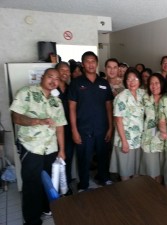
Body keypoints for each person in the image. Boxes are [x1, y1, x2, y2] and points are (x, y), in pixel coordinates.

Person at [10, 68, 67, 225]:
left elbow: (60, 127)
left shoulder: (57, 101)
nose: (53, 81)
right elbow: (16, 117)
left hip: (51, 148)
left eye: (57, 79)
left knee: (47, 181)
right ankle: (32, 220)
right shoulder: (26, 92)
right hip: (31, 147)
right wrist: (38, 121)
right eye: (50, 77)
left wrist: (62, 150)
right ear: (42, 77)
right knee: (31, 183)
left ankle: (45, 208)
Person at [69, 51, 114, 191]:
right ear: (83, 64)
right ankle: (83, 184)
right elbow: (71, 108)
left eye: (93, 61)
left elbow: (108, 106)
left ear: (96, 63)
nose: (90, 64)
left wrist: (110, 127)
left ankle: (104, 178)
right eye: (87, 61)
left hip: (102, 127)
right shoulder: (76, 83)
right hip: (83, 129)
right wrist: (74, 131)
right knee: (84, 158)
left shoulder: (104, 83)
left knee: (103, 155)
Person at [110, 67, 145, 181]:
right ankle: (125, 195)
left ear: (139, 80)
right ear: (125, 81)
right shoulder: (121, 97)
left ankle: (134, 195)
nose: (132, 82)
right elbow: (118, 120)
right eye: (129, 79)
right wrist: (124, 142)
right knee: (125, 171)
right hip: (125, 140)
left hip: (138, 140)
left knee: (136, 170)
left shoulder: (141, 94)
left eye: (135, 78)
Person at [140, 73, 166, 183]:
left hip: (163, 139)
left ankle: (159, 192)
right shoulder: (145, 97)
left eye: (157, 83)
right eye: (151, 83)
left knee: (160, 169)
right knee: (150, 170)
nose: (154, 86)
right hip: (148, 139)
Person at [55, 62, 75, 192]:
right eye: (62, 70)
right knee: (54, 161)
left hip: (68, 130)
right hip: (53, 132)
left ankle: (65, 186)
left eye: (67, 71)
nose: (65, 73)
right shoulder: (51, 89)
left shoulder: (71, 88)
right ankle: (54, 189)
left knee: (67, 158)